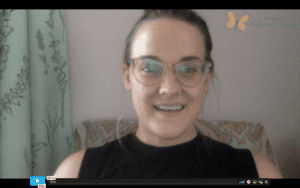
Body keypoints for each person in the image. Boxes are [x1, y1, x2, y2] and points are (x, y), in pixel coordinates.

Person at [54, 9, 283, 179]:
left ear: (206, 80)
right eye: (150, 68)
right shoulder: (73, 172)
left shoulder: (259, 173)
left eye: (189, 69)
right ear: (127, 77)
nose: (169, 89)